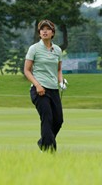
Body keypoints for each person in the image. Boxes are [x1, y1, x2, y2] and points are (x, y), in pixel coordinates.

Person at [24, 19, 67, 152]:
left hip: (53, 89)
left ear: (52, 33)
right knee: (47, 119)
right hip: (39, 90)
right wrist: (37, 85)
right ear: (39, 33)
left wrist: (61, 81)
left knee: (58, 120)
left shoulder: (57, 50)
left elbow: (59, 69)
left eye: (47, 29)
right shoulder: (34, 48)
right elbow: (26, 70)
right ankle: (50, 151)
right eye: (42, 29)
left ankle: (43, 142)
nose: (44, 31)